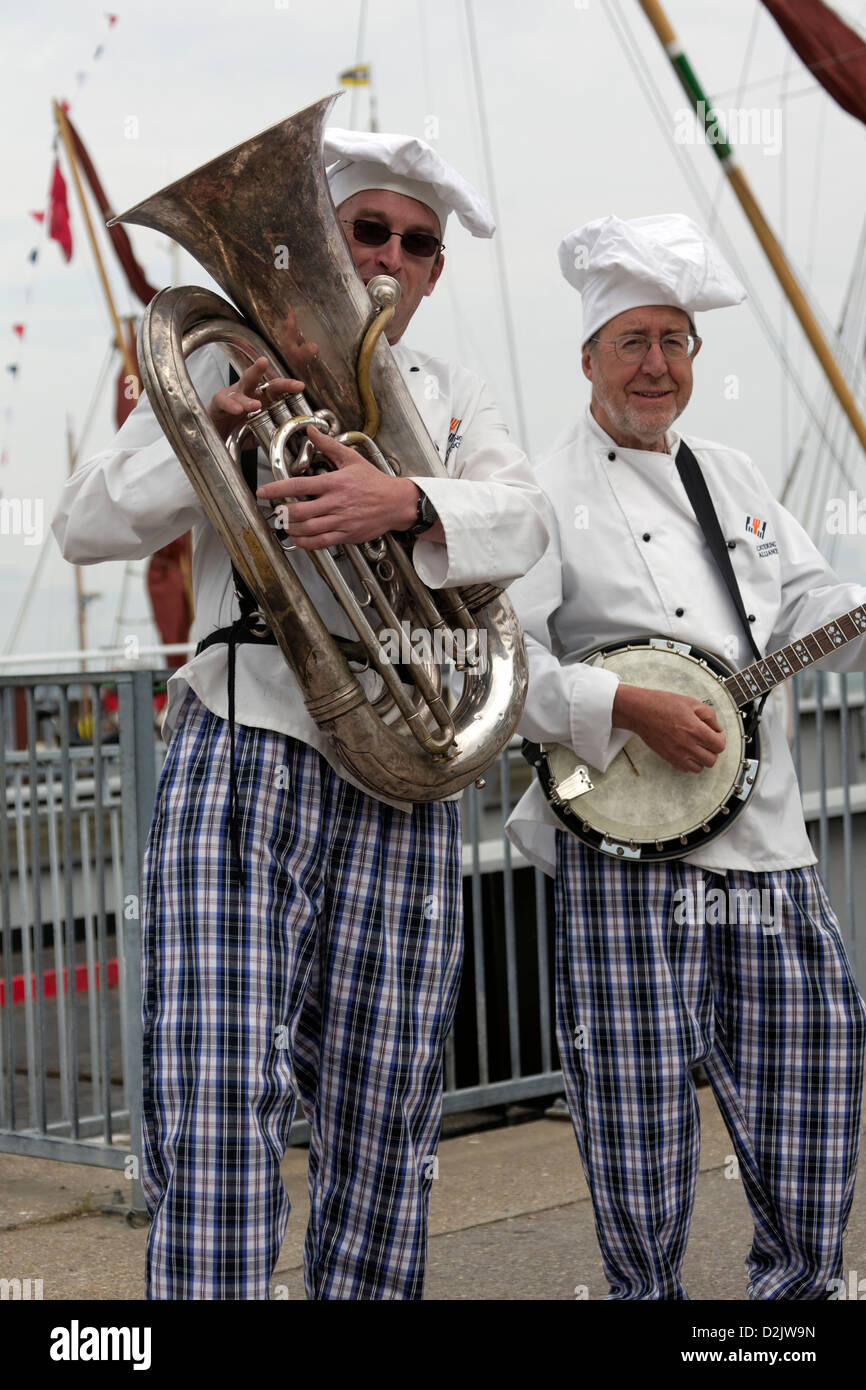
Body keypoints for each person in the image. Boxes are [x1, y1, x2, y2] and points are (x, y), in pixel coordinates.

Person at [51, 126, 548, 1300]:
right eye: (364, 229)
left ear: (434, 270)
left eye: (414, 243)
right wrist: (205, 435)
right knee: (220, 1105)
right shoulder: (226, 367)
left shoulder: (451, 395)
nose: (387, 257)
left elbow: (529, 523)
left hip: (401, 761)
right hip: (246, 741)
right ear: (320, 237)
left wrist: (405, 496)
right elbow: (84, 525)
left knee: (385, 1119)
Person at [507, 212, 866, 1301]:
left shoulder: (734, 475)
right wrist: (620, 702)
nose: (655, 364)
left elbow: (814, 602)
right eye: (631, 341)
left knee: (814, 1091)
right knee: (637, 1137)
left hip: (765, 850)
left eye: (673, 341)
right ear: (586, 359)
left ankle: (792, 1303)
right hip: (626, 864)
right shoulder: (537, 490)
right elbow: (500, 665)